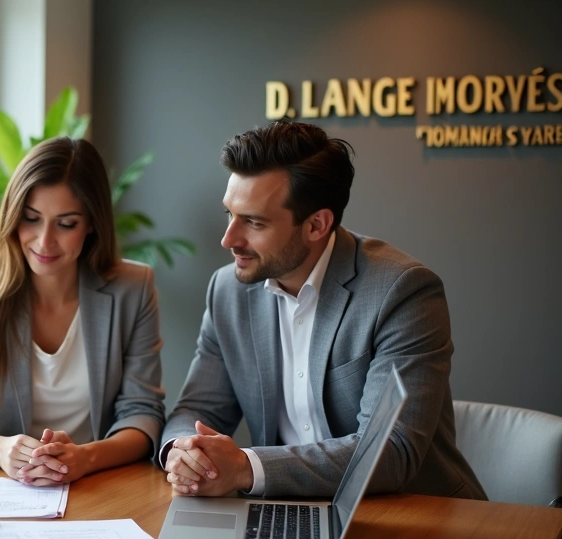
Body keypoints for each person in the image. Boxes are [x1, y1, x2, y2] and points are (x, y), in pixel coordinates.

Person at [160, 120, 485, 500]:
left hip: (410, 515)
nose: (229, 238)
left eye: (253, 222)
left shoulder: (402, 291)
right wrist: (183, 453)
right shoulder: (228, 290)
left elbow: (390, 449)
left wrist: (247, 468)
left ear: (317, 225)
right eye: (229, 214)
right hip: (282, 510)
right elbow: (198, 408)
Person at [0, 137, 165, 486]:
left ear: (92, 223)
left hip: (99, 487)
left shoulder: (133, 289)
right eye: (31, 219)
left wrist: (85, 457)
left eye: (66, 224)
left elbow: (143, 414)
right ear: (13, 216)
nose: (44, 241)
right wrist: (0, 451)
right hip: (2, 491)